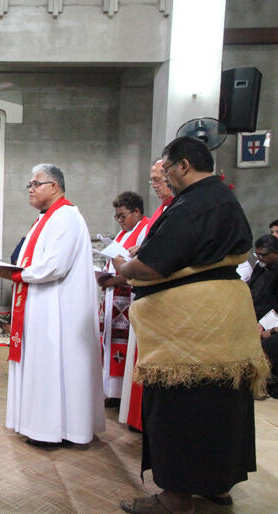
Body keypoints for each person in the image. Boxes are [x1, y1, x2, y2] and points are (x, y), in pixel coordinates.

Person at [115, 136, 270, 513]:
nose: (166, 178)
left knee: (180, 407)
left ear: (183, 165)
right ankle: (217, 485)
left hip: (191, 326)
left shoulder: (192, 204)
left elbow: (152, 264)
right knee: (222, 404)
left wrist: (124, 267)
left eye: (167, 170)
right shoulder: (223, 198)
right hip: (226, 317)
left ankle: (175, 497)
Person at [3, 163, 104, 446]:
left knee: (54, 365)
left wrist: (17, 274)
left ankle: (55, 430)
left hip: (58, 309)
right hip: (42, 303)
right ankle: (41, 426)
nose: (31, 189)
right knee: (42, 365)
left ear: (54, 187)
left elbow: (55, 265)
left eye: (36, 184)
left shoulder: (66, 216)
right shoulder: (46, 218)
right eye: (30, 184)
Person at [119, 159, 173, 430]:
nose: (153, 185)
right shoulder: (164, 209)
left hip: (165, 298)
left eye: (157, 180)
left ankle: (145, 420)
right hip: (147, 294)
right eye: (152, 180)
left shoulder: (178, 209)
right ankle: (138, 417)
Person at [98, 191, 149, 408]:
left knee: (125, 347)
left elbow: (141, 267)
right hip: (113, 296)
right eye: (117, 216)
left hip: (129, 297)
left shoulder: (145, 230)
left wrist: (113, 280)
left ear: (137, 212)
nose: (120, 220)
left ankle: (123, 394)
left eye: (123, 215)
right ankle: (112, 391)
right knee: (110, 343)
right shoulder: (122, 234)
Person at [249, 235, 278, 384]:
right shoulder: (260, 269)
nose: (260, 258)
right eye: (257, 254)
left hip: (269, 319)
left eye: (263, 255)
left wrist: (265, 325)